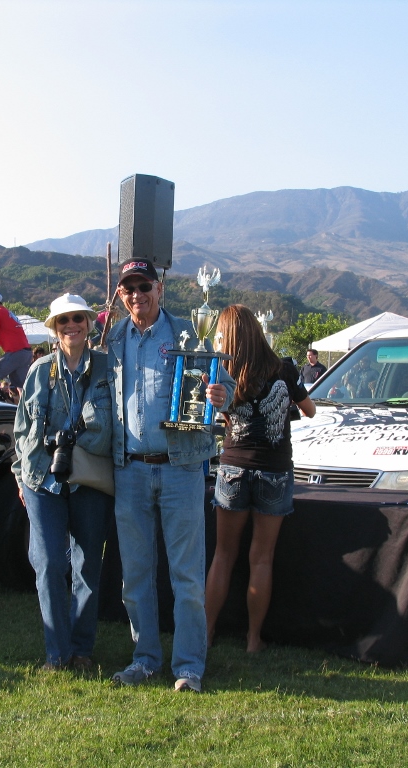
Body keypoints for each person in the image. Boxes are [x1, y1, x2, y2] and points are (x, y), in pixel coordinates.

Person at [105, 259, 235, 693]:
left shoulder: (188, 332)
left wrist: (222, 394)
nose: (137, 295)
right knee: (136, 576)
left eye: (144, 286)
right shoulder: (114, 338)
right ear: (120, 295)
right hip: (130, 473)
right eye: (129, 289)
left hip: (180, 470)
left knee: (187, 577)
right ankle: (144, 659)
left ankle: (188, 667)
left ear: (160, 288)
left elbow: (225, 383)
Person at [204, 305, 316, 653]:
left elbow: (219, 418)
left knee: (223, 555)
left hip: (233, 467)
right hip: (275, 470)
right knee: (261, 558)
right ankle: (254, 640)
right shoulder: (283, 368)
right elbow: (310, 410)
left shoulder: (222, 371)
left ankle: (204, 635)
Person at [12, 294, 114, 671]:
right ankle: (57, 653)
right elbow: (22, 430)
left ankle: (82, 650)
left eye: (78, 319)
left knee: (88, 565)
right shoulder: (39, 371)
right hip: (42, 479)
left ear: (88, 324)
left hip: (90, 478)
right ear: (54, 329)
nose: (71, 325)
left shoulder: (108, 368)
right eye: (63, 321)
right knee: (50, 562)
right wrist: (19, 476)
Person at [0, 290, 32, 402]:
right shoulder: (7, 312)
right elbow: (6, 335)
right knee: (20, 385)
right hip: (26, 352)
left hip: (16, 352)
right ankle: (27, 408)